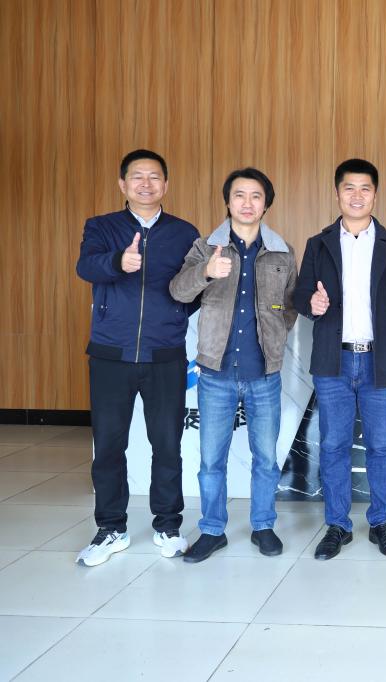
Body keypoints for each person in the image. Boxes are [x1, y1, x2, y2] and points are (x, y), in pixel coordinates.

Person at [74, 149, 199, 567]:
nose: (146, 184)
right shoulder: (102, 226)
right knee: (110, 445)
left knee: (167, 444)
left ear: (166, 184)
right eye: (137, 177)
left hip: (165, 355)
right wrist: (118, 261)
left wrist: (175, 314)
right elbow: (86, 267)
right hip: (111, 354)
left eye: (154, 177)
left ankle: (168, 525)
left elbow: (194, 287)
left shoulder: (184, 232)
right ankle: (111, 528)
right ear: (123, 184)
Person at [170, 168, 297, 563]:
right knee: (211, 461)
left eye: (256, 196)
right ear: (227, 201)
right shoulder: (205, 248)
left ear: (266, 204)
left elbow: (290, 306)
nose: (247, 203)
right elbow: (178, 290)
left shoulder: (282, 252)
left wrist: (274, 335)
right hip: (215, 373)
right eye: (239, 195)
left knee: (265, 459)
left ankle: (263, 526)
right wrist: (206, 272)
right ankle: (212, 530)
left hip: (264, 374)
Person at [293, 159, 386, 560]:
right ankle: (337, 525)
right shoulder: (319, 244)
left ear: (375, 195)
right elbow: (301, 296)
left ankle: (381, 522)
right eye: (349, 188)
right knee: (333, 445)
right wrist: (311, 304)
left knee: (381, 445)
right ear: (337, 194)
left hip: (381, 361)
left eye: (365, 188)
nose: (357, 195)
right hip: (334, 362)